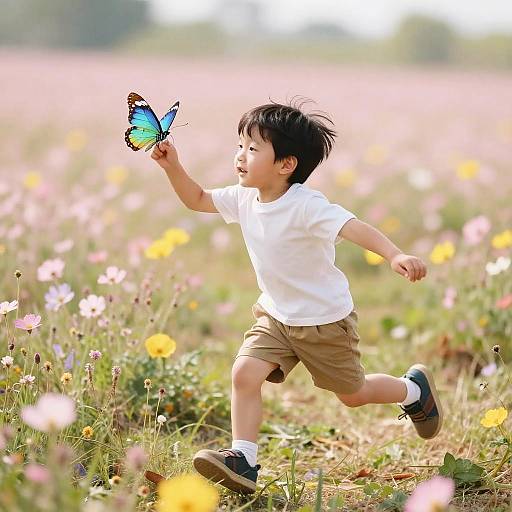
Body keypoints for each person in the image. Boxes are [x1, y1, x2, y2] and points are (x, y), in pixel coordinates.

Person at [150, 100, 443, 495]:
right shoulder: (243, 198)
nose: (240, 155)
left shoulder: (306, 205)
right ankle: (244, 460)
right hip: (275, 316)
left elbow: (354, 227)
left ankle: (414, 391)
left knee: (354, 395)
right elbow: (197, 198)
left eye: (253, 149)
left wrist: (395, 254)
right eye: (240, 145)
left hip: (324, 321)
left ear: (286, 165)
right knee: (244, 374)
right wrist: (172, 166)